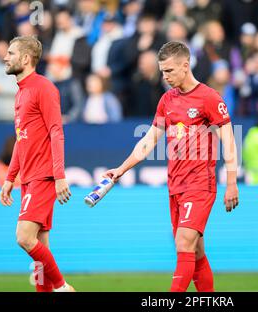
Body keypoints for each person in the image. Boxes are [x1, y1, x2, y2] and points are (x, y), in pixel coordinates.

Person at [102, 41, 239, 292]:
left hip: (200, 183)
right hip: (176, 185)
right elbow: (148, 141)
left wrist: (231, 182)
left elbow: (229, 141)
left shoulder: (209, 98)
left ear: (185, 66)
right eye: (162, 71)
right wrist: (121, 169)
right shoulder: (167, 100)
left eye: (169, 71)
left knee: (184, 244)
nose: (164, 76)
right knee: (195, 251)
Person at [0, 36, 74, 292]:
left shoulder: (43, 87)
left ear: (26, 58)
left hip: (43, 176)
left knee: (24, 237)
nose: (5, 57)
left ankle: (63, 288)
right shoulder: (21, 94)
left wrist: (59, 174)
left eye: (10, 53)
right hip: (28, 179)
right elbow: (21, 141)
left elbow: (56, 130)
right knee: (40, 244)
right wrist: (10, 178)